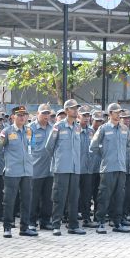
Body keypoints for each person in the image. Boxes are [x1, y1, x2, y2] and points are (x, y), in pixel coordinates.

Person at [46, 99, 86, 236]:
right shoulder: (58, 126)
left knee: (74, 197)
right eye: (73, 108)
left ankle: (73, 226)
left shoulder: (77, 127)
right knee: (59, 197)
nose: (76, 111)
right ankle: (56, 225)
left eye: (77, 108)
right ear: (67, 110)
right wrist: (58, 160)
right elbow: (49, 146)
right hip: (62, 168)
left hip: (75, 168)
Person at [90, 103, 130, 233]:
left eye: (120, 112)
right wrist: (105, 155)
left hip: (121, 168)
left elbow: (129, 146)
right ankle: (100, 222)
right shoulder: (103, 128)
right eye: (117, 112)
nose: (119, 114)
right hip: (107, 168)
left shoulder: (124, 129)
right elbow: (94, 146)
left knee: (119, 196)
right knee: (104, 195)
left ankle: (117, 223)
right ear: (110, 113)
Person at [0, 106, 34, 238]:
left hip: (27, 171)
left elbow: (32, 147)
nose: (23, 117)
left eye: (25, 115)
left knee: (26, 200)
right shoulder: (6, 131)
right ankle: (7, 227)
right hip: (12, 171)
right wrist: (9, 160)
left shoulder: (29, 131)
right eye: (19, 115)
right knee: (9, 200)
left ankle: (24, 228)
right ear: (13, 117)